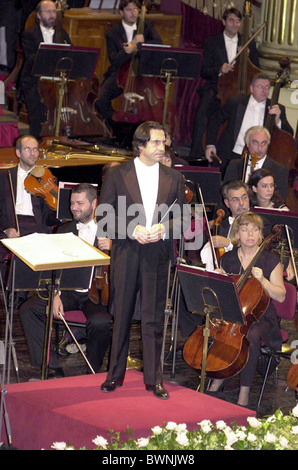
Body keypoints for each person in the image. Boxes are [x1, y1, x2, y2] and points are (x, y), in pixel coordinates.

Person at [97, 121, 186, 399]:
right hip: (127, 250)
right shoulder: (117, 174)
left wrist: (164, 229)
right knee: (121, 315)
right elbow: (104, 215)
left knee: (153, 318)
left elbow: (182, 220)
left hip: (157, 254)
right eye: (157, 142)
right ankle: (114, 376)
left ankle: (154, 379)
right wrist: (132, 229)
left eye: (163, 142)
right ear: (141, 145)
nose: (163, 147)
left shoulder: (175, 178)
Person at [19, 183, 113, 378]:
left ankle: (92, 372)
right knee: (29, 310)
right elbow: (53, 266)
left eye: (80, 203)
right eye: (72, 203)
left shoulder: (111, 230)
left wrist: (115, 247)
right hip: (68, 292)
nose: (74, 207)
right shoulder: (64, 230)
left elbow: (128, 262)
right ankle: (52, 368)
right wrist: (55, 294)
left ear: (94, 204)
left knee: (101, 322)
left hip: (96, 294)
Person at [207, 212, 286, 407]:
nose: (250, 233)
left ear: (260, 234)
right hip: (235, 315)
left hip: (262, 318)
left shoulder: (270, 260)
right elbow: (222, 297)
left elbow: (281, 295)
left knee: (249, 335)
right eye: (244, 229)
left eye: (254, 229)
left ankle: (244, 392)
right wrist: (219, 280)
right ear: (237, 233)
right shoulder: (229, 259)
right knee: (220, 330)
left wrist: (263, 281)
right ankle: (217, 378)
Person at [189, 7, 259, 159]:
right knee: (203, 114)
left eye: (238, 21)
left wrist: (246, 58)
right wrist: (220, 69)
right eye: (231, 20)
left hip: (240, 89)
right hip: (216, 87)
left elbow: (257, 70)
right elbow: (205, 71)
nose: (235, 24)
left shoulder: (248, 43)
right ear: (223, 21)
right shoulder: (211, 42)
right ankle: (196, 154)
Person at [205, 73, 293, 175]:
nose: (264, 91)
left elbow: (289, 135)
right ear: (251, 88)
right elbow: (215, 120)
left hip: (260, 158)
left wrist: (277, 120)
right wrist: (210, 145)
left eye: (267, 87)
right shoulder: (236, 102)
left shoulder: (277, 108)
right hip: (232, 155)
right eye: (260, 87)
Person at [94, 0, 162, 127]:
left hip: (141, 73)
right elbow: (114, 60)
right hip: (119, 73)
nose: (133, 13)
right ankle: (114, 126)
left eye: (136, 10)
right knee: (101, 100)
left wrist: (139, 46)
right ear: (121, 12)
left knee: (149, 101)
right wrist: (128, 51)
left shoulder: (146, 26)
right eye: (129, 10)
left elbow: (159, 44)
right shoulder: (112, 32)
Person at [18, 0, 71, 139]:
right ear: (39, 15)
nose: (52, 15)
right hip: (35, 80)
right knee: (37, 116)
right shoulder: (29, 34)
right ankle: (37, 141)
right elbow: (32, 59)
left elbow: (69, 56)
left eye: (54, 11)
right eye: (48, 12)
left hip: (56, 80)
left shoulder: (62, 34)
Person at [0, 134, 58, 239]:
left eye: (35, 149)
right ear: (18, 152)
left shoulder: (47, 178)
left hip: (37, 227)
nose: (32, 154)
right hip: (12, 226)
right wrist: (6, 228)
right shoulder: (4, 176)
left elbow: (49, 217)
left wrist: (60, 212)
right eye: (27, 149)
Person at [223, 126, 289, 201]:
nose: (259, 148)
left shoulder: (279, 170)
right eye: (255, 143)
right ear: (247, 144)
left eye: (263, 143)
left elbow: (279, 199)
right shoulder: (234, 165)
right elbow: (226, 193)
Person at [200, 180, 250, 271]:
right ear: (227, 203)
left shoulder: (260, 222)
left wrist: (229, 243)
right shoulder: (222, 225)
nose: (241, 203)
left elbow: (255, 249)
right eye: (235, 199)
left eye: (244, 197)